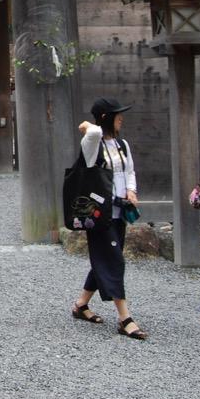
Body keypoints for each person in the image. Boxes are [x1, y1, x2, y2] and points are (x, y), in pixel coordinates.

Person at [70, 98, 148, 340]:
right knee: (115, 260)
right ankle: (125, 318)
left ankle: (81, 305)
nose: (121, 118)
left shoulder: (122, 144)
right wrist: (89, 124)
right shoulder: (92, 144)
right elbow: (92, 132)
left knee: (105, 257)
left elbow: (130, 171)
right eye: (116, 114)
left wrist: (132, 191)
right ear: (105, 118)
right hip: (100, 214)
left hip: (119, 211)